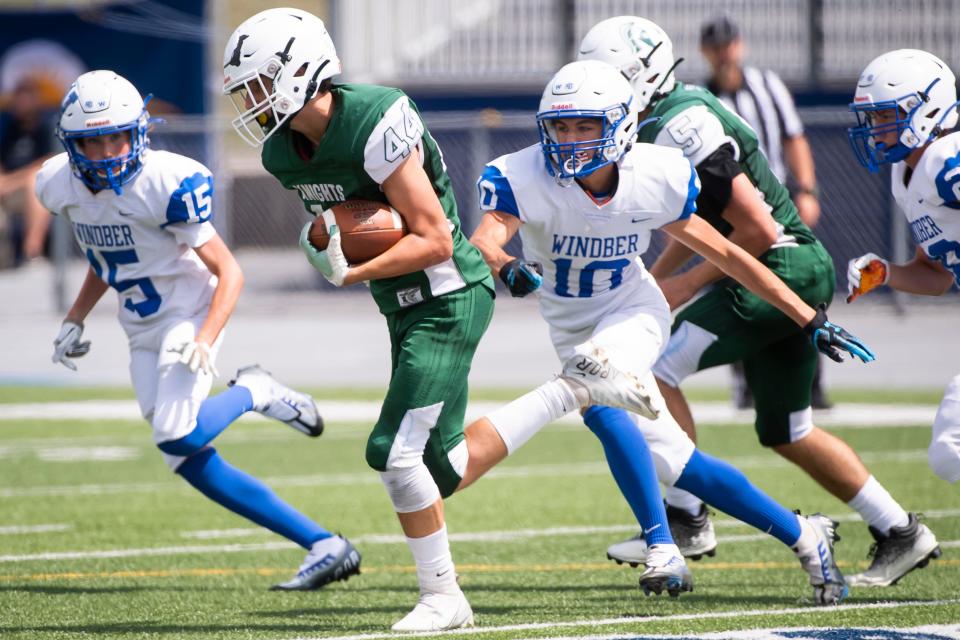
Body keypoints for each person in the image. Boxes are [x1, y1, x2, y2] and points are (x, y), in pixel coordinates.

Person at [223, 8, 659, 631]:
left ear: (302, 70)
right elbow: (353, 225)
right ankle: (578, 387)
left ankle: (443, 598)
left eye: (262, 82)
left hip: (446, 294)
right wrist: (332, 240)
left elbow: (431, 239)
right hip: (402, 304)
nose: (253, 99)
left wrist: (345, 269)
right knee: (442, 470)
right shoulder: (282, 154)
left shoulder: (374, 118)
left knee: (392, 453)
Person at [469, 58, 882, 606]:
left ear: (619, 124)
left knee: (600, 395)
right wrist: (504, 265)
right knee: (681, 463)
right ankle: (806, 538)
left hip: (634, 308)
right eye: (561, 127)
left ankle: (662, 545)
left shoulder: (655, 173)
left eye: (585, 125)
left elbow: (731, 254)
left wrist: (808, 317)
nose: (569, 140)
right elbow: (484, 241)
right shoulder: (522, 174)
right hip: (570, 325)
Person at [579, 16, 941, 588]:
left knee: (654, 366)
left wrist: (680, 286)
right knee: (787, 431)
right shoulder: (670, 115)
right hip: (788, 269)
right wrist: (654, 278)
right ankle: (899, 529)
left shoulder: (682, 125)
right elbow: (696, 226)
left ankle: (686, 515)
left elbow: (755, 229)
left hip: (780, 267)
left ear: (637, 77)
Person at [36, 69, 360, 592]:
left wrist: (206, 337)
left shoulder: (166, 182)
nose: (104, 153)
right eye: (90, 142)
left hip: (188, 313)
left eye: (114, 136)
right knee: (182, 457)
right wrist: (75, 317)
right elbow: (108, 256)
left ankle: (255, 389)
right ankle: (325, 545)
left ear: (138, 132)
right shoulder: (58, 183)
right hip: (141, 326)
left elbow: (230, 271)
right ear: (72, 145)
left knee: (176, 432)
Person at [845, 48, 958, 582]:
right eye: (874, 118)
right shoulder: (909, 175)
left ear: (929, 109)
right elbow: (936, 274)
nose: (878, 130)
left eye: (888, 116)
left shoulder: (946, 160)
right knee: (947, 454)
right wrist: (888, 275)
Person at [699, 14, 831, 409]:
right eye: (716, 46)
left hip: (774, 208)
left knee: (794, 289)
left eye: (729, 44)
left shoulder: (767, 86)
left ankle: (812, 383)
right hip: (728, 214)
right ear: (706, 52)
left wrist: (806, 189)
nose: (724, 53)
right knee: (734, 293)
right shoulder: (703, 98)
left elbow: (795, 138)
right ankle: (746, 381)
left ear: (739, 45)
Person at [0, 74, 57, 266]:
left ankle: (32, 251)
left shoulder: (46, 126)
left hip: (35, 188)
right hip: (8, 189)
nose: (20, 103)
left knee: (35, 183)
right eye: (17, 98)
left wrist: (10, 181)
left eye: (25, 98)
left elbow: (47, 163)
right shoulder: (10, 127)